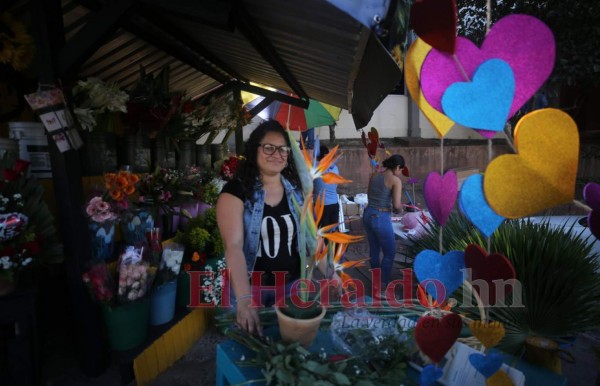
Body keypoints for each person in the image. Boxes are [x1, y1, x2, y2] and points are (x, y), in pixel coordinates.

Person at [216, 120, 302, 335]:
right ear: (254, 150)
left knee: (286, 351)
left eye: (283, 149)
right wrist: (245, 300)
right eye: (268, 147)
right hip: (249, 289)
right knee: (249, 349)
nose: (277, 154)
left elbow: (310, 239)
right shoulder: (236, 191)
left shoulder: (297, 191)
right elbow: (233, 246)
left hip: (290, 288)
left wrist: (332, 271)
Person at [362, 154, 407, 292]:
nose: (400, 173)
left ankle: (376, 281)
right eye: (401, 170)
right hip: (380, 217)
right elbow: (397, 205)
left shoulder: (374, 175)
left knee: (374, 249)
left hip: (368, 214)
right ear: (397, 167)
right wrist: (401, 210)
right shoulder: (395, 180)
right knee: (390, 251)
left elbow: (370, 195)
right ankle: (382, 284)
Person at [313, 145, 339, 228]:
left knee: (322, 234)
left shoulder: (315, 168)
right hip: (334, 204)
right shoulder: (335, 168)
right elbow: (335, 185)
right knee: (332, 233)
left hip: (321, 206)